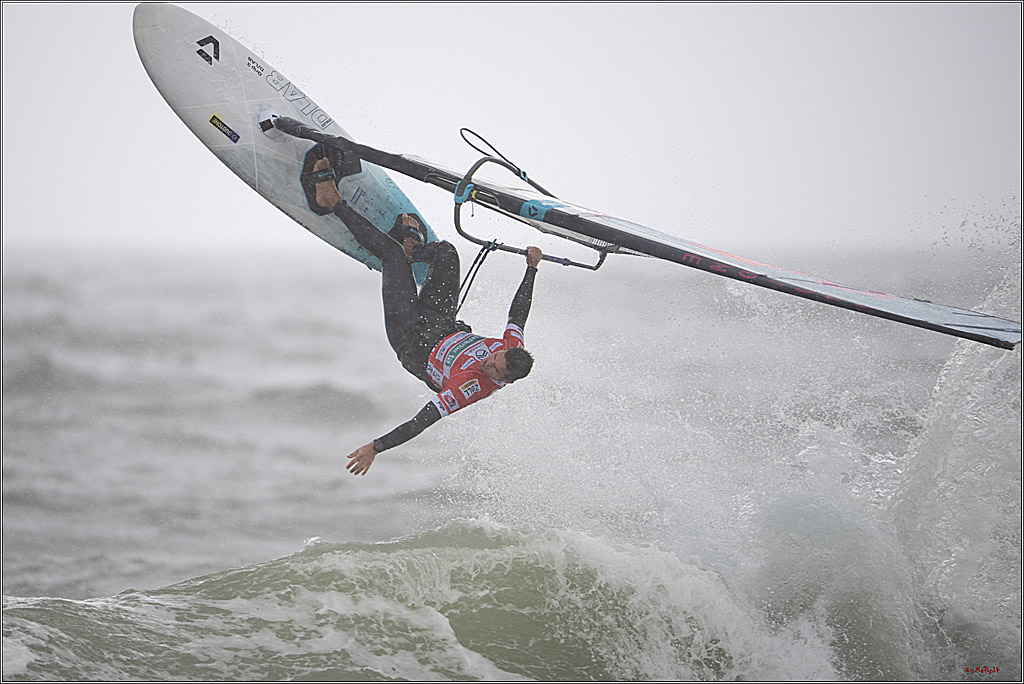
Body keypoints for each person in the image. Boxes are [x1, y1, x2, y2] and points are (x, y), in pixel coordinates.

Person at [311, 158, 543, 476]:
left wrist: (376, 447)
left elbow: (420, 422)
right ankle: (414, 250)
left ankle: (331, 200)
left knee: (391, 255)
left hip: (411, 341)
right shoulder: (510, 346)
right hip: (442, 323)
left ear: (504, 380)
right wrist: (531, 268)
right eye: (494, 356)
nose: (487, 362)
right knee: (447, 253)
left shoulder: (469, 388)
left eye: (493, 369)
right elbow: (518, 313)